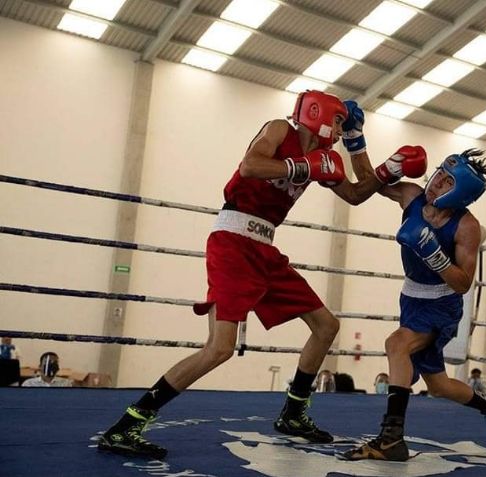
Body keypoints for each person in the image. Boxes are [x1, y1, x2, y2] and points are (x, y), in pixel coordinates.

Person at [97, 91, 427, 459]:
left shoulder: (327, 158)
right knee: (219, 348)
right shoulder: (278, 129)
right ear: (317, 113)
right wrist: (301, 167)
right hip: (233, 242)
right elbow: (250, 166)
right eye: (337, 121)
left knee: (326, 326)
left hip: (265, 248)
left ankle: (293, 413)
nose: (338, 128)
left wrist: (384, 166)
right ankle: (128, 425)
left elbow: (354, 194)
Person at [340, 142, 486, 462]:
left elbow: (462, 283)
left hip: (441, 305)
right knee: (439, 385)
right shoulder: (411, 196)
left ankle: (391, 438)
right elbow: (368, 181)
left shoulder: (466, 226)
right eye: (440, 174)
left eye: (448, 181)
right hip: (411, 298)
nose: (437, 182)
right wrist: (356, 139)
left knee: (397, 344)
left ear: (461, 192)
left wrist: (431, 251)